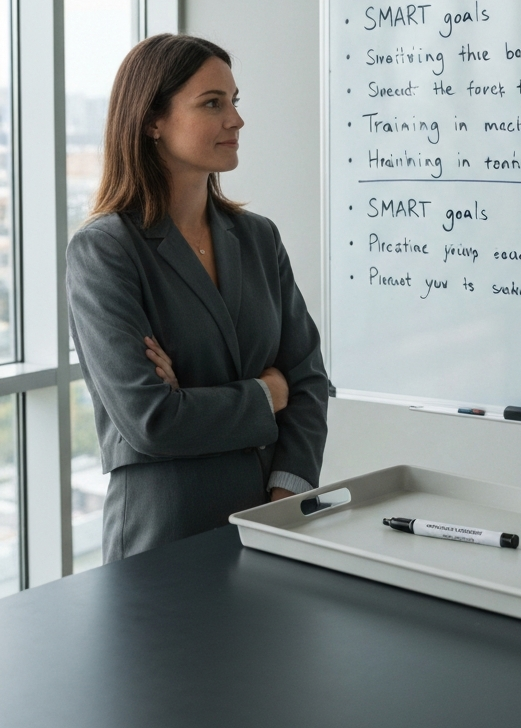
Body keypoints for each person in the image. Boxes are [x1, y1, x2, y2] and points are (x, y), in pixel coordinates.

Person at [67, 33, 329, 562]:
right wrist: (265, 394)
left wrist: (284, 495)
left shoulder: (258, 238)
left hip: (270, 525)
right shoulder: (106, 252)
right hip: (164, 537)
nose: (236, 120)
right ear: (152, 121)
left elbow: (308, 379)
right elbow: (152, 421)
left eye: (234, 102)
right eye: (213, 103)